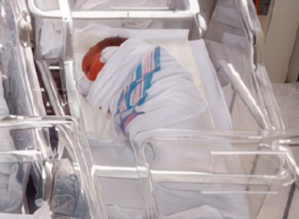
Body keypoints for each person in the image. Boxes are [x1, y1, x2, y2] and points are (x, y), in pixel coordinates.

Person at [80, 35, 211, 147]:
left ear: (111, 53)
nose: (87, 78)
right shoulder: (117, 96)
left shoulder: (139, 55)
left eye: (88, 68)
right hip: (164, 138)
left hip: (177, 111)